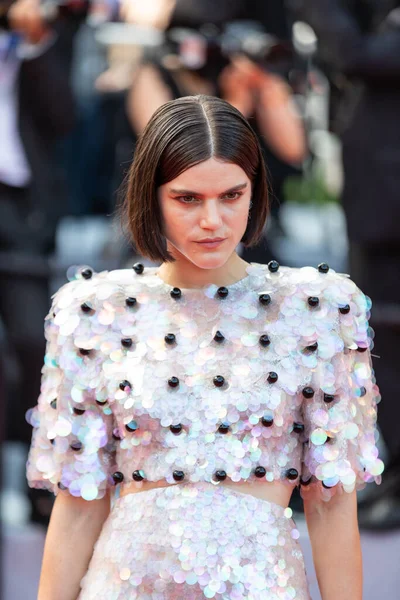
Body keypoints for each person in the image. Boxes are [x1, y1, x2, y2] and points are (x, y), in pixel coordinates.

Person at [25, 95, 383, 600]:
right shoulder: (93, 311)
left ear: (255, 192)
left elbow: (330, 502)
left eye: (232, 196)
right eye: (188, 198)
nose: (213, 220)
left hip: (261, 586)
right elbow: (80, 503)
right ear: (151, 197)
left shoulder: (319, 308)